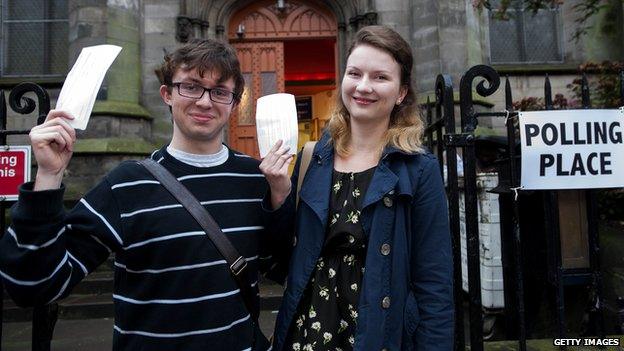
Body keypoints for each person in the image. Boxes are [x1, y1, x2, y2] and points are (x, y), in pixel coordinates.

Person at [0, 38, 293, 350]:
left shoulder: (255, 177)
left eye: (220, 91)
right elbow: (34, 285)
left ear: (234, 103)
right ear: (167, 94)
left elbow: (285, 269)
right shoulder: (126, 184)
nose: (206, 102)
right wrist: (48, 174)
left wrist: (281, 198)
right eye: (191, 86)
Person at [261, 26, 454, 350]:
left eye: (380, 77)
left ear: (402, 92)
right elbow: (280, 261)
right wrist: (279, 194)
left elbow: (434, 284)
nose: (364, 86)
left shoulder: (419, 170)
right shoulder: (313, 158)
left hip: (377, 334)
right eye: (355, 73)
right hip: (306, 333)